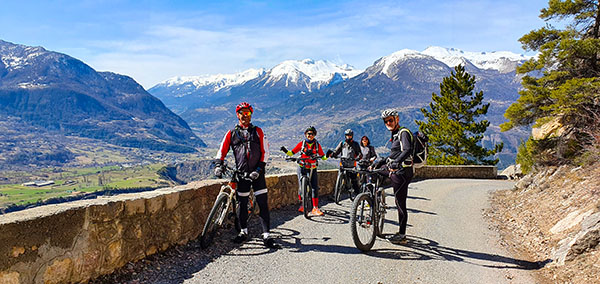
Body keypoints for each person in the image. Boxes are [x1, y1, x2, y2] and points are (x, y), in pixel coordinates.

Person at [214, 102, 279, 249]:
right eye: (242, 113)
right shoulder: (231, 134)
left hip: (257, 174)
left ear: (251, 115)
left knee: (262, 203)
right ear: (238, 115)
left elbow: (265, 152)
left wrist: (259, 169)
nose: (245, 115)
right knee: (242, 204)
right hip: (241, 174)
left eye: (247, 113)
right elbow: (222, 150)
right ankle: (243, 232)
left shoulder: (258, 131)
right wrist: (219, 164)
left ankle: (267, 235)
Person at [375, 109, 414, 244]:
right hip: (394, 168)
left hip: (403, 172)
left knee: (400, 202)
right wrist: (383, 161)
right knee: (373, 170)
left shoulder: (403, 132)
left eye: (390, 120)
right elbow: (394, 153)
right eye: (386, 121)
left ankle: (402, 234)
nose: (388, 123)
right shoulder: (395, 133)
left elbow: (407, 150)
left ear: (397, 119)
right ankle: (374, 198)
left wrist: (397, 162)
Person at [283, 126, 329, 216]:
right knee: (301, 187)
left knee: (314, 187)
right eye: (308, 134)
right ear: (305, 134)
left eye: (312, 134)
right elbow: (292, 152)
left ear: (314, 135)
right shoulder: (302, 144)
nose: (310, 135)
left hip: (312, 168)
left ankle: (315, 208)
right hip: (302, 166)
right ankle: (302, 205)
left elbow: (322, 156)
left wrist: (328, 155)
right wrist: (285, 151)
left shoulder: (316, 145)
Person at [330, 129, 362, 196]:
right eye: (347, 135)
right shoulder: (342, 143)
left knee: (354, 180)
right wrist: (333, 154)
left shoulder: (355, 144)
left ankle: (358, 195)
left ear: (352, 136)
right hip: (343, 164)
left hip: (352, 165)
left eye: (350, 135)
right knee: (340, 177)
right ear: (345, 136)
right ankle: (336, 194)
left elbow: (359, 153)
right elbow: (337, 151)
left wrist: (357, 158)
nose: (348, 137)